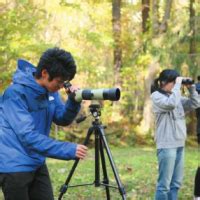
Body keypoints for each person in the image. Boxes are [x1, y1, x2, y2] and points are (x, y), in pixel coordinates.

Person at [0, 47, 88, 200]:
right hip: (14, 165)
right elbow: (28, 136)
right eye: (59, 82)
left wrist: (73, 102)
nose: (61, 86)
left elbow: (62, 118)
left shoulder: (50, 92)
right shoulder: (15, 94)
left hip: (37, 161)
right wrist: (67, 149)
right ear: (45, 73)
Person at [151, 69, 200, 200]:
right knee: (164, 186)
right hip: (166, 145)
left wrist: (191, 89)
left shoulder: (177, 97)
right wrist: (178, 85)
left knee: (176, 184)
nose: (174, 85)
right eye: (172, 82)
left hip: (179, 144)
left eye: (176, 82)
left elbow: (195, 103)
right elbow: (171, 104)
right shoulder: (156, 96)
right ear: (162, 82)